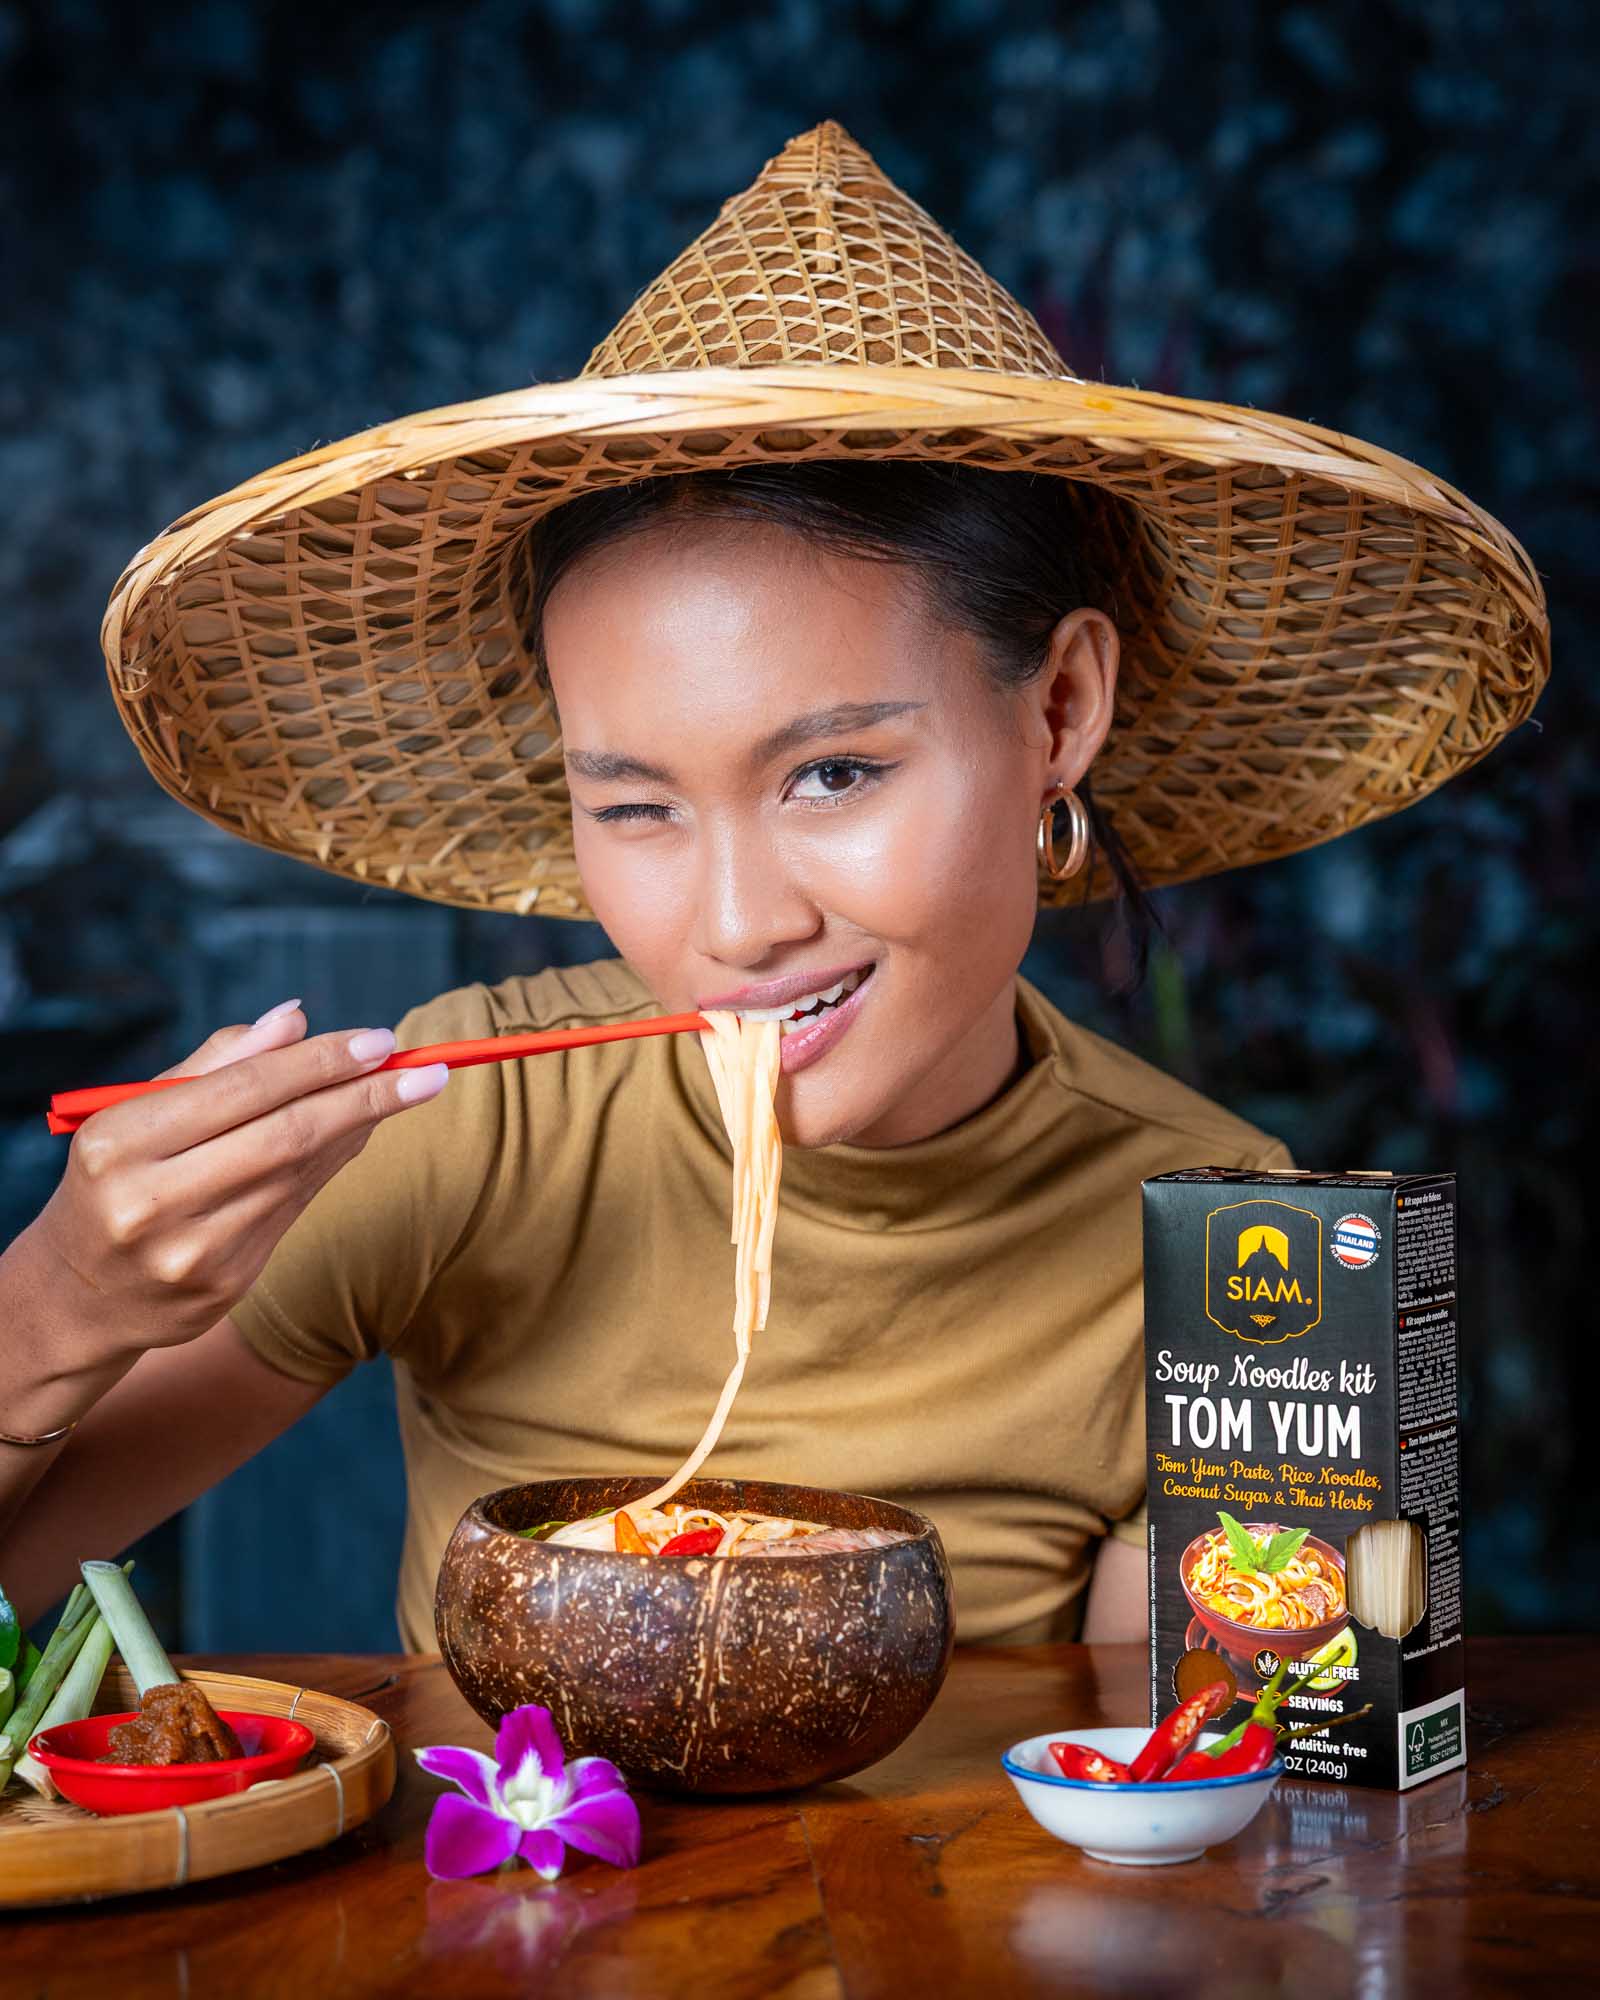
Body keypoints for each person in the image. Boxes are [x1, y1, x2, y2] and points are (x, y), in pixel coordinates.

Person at [0, 125, 1545, 1651]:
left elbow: (1205, 1773)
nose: (735, 928)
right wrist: (65, 1296)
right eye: (634, 802)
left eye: (834, 775)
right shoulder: (472, 1125)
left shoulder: (1228, 1249)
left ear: (1060, 710)